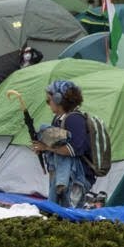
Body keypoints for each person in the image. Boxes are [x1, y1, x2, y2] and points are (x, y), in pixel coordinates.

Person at [30, 80, 95, 209]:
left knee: (70, 212)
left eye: (49, 100)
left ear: (58, 99)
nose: (48, 104)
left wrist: (47, 147)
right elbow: (56, 144)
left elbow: (73, 149)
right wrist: (43, 149)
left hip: (78, 177)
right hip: (63, 174)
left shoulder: (74, 119)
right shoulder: (59, 119)